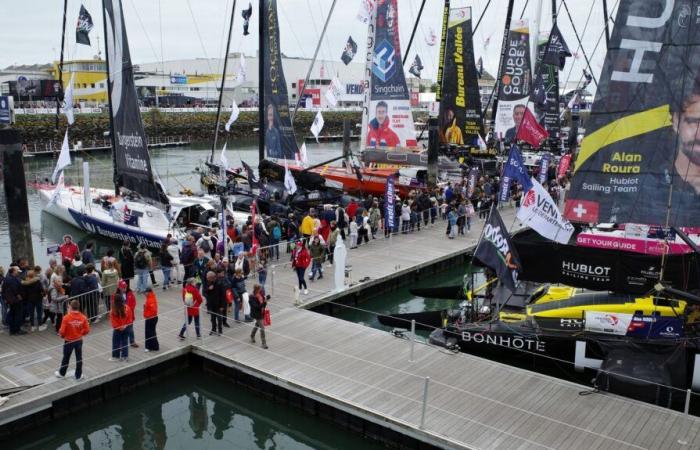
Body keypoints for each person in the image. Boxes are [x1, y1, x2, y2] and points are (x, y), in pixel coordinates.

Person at [55, 299, 90, 380]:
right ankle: (78, 375)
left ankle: (62, 373)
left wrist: (62, 336)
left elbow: (62, 331)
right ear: (78, 307)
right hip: (78, 340)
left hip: (69, 341)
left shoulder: (66, 318)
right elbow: (87, 330)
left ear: (70, 307)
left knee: (66, 357)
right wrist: (81, 333)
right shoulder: (83, 317)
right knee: (79, 357)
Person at [110, 292, 132, 361]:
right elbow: (130, 318)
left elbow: (113, 321)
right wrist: (125, 326)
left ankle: (116, 357)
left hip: (117, 329)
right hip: (126, 327)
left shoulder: (113, 310)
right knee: (125, 341)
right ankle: (125, 356)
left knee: (116, 342)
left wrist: (119, 327)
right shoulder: (127, 308)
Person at [3, 267, 24, 335]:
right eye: (17, 271)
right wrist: (18, 295)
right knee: (17, 314)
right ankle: (17, 330)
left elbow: (4, 290)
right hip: (15, 300)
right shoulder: (11, 279)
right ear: (13, 271)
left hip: (11, 300)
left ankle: (12, 330)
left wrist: (6, 299)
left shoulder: (7, 278)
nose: (18, 272)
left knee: (13, 314)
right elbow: (14, 288)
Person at [205, 271, 225, 336]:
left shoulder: (220, 283)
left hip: (218, 304)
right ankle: (213, 329)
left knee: (219, 318)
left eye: (208, 278)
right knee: (212, 318)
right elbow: (205, 292)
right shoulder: (208, 282)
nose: (207, 279)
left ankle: (220, 330)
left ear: (211, 278)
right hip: (211, 304)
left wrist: (222, 306)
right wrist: (208, 289)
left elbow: (223, 295)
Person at [249, 284, 268, 349]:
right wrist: (264, 303)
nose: (260, 290)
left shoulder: (260, 294)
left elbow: (263, 303)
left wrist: (266, 300)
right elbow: (256, 307)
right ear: (256, 289)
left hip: (261, 312)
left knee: (257, 325)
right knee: (262, 328)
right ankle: (264, 343)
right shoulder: (251, 297)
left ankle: (252, 335)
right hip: (257, 314)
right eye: (259, 289)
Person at [143, 287, 159, 352]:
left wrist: (146, 308)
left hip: (151, 318)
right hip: (151, 317)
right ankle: (154, 346)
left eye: (145, 292)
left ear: (149, 292)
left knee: (149, 333)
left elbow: (154, 310)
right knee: (152, 332)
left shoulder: (151, 299)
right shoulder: (150, 297)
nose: (144, 293)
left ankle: (150, 347)